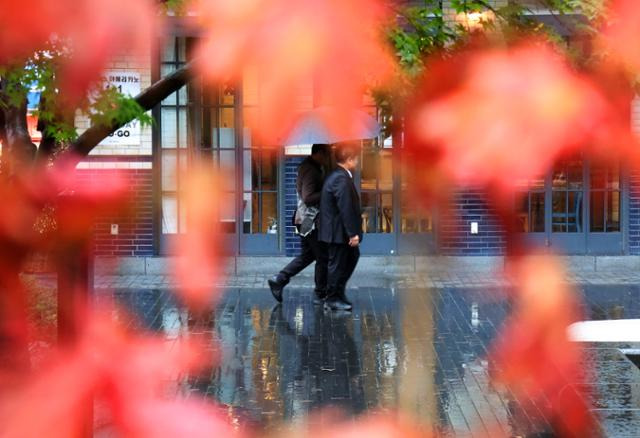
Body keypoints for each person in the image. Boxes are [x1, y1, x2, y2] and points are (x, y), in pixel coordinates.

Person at [268, 144, 331, 304]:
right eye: (325, 155)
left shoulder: (310, 166)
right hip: (309, 219)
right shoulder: (311, 170)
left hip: (304, 218)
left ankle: (280, 279)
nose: (327, 158)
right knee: (322, 256)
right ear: (318, 153)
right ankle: (319, 294)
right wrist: (327, 191)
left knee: (308, 255)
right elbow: (308, 197)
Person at [318, 143, 362, 311]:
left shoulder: (339, 175)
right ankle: (332, 298)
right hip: (337, 232)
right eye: (356, 158)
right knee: (337, 264)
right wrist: (353, 234)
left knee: (351, 257)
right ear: (349, 159)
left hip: (337, 230)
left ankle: (338, 292)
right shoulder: (340, 178)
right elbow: (345, 207)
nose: (358, 162)